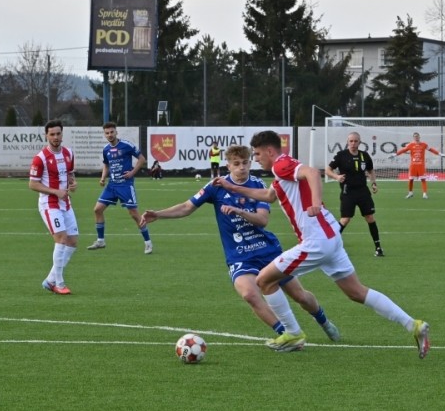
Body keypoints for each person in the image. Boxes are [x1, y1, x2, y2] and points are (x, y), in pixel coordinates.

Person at [213, 130, 431, 358]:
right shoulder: (282, 173)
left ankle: (293, 333)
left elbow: (312, 173)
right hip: (331, 237)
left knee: (264, 280)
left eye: (257, 154)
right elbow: (269, 196)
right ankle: (413, 325)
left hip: (316, 241)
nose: (256, 159)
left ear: (269, 151)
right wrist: (232, 187)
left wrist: (316, 202)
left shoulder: (280, 164)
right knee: (356, 292)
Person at [140, 145, 340, 350]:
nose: (241, 167)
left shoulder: (257, 185)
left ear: (250, 163)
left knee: (299, 296)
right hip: (239, 256)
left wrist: (238, 211)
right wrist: (158, 214)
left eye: (245, 163)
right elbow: (186, 207)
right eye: (236, 164)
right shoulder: (215, 186)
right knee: (249, 294)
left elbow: (263, 220)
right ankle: (287, 334)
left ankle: (323, 321)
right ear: (228, 166)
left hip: (267, 250)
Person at [87, 122, 154, 254]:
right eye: (107, 133)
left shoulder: (126, 145)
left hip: (125, 185)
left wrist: (132, 173)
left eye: (112, 132)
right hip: (112, 185)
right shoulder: (106, 149)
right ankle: (100, 241)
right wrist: (102, 178)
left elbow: (142, 159)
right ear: (104, 134)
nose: (110, 135)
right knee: (97, 209)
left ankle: (148, 243)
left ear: (116, 132)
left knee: (134, 214)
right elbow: (106, 165)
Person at [28, 120, 78, 295]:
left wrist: (73, 183)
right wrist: (55, 191)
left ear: (62, 134)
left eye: (58, 134)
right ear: (46, 136)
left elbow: (70, 175)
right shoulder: (40, 158)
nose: (56, 137)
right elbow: (32, 184)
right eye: (52, 134)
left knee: (72, 242)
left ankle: (50, 280)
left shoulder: (69, 153)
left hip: (66, 203)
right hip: (49, 205)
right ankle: (59, 283)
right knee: (62, 239)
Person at [325, 131, 385, 257]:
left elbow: (370, 170)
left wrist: (374, 183)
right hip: (348, 192)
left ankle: (378, 247)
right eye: (351, 141)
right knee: (345, 219)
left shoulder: (364, 155)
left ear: (359, 142)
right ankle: (329, 246)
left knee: (370, 217)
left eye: (355, 141)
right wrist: (336, 177)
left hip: (363, 191)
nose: (353, 143)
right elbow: (328, 170)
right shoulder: (341, 155)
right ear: (348, 142)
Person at [394, 131, 441, 198]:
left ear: (419, 137)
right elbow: (403, 150)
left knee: (423, 179)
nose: (416, 137)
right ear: (413, 137)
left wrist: (439, 154)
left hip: (421, 165)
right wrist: (395, 154)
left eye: (417, 136)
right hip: (413, 165)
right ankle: (410, 193)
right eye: (415, 136)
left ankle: (424, 194)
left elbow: (431, 149)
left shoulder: (424, 144)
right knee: (411, 179)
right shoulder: (410, 145)